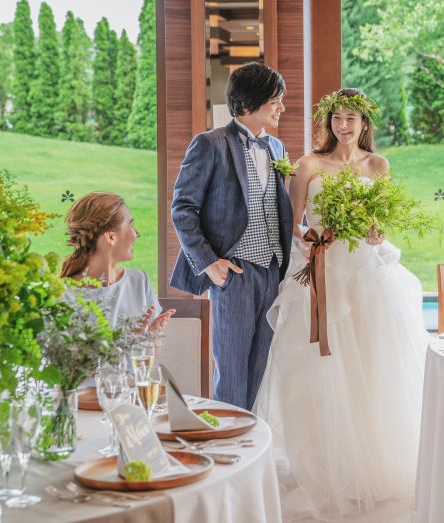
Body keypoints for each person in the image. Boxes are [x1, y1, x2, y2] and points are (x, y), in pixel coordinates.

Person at [253, 88, 429, 520]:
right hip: (322, 269)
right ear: (328, 122)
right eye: (337, 118)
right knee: (317, 371)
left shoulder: (378, 165)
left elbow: (379, 225)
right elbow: (290, 222)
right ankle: (324, 464)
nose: (344, 125)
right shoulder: (309, 164)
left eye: (352, 118)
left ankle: (370, 463)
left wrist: (376, 233)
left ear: (364, 123)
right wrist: (315, 241)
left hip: (366, 276)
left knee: (370, 365)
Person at [169, 62, 294, 410]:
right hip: (233, 273)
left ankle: (252, 447)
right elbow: (182, 208)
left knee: (263, 368)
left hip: (273, 270)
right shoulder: (210, 144)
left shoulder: (278, 149)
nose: (281, 108)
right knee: (233, 370)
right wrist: (209, 263)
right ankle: (228, 448)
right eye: (275, 101)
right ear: (248, 104)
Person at [60, 192, 173, 333]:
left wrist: (154, 334)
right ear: (111, 236)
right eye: (130, 225)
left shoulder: (139, 282)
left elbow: (150, 352)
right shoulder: (63, 295)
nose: (137, 234)